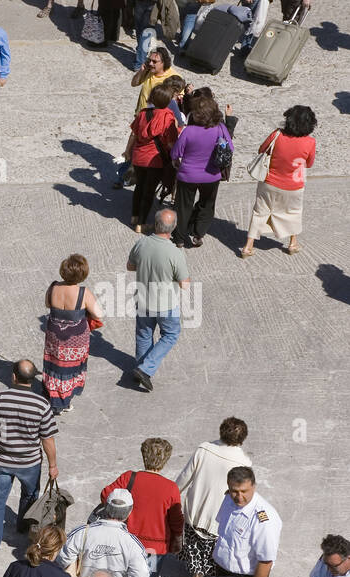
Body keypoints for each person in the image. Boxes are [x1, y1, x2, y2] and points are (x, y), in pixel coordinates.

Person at [0, 360, 59, 560]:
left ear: (14, 377)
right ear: (33, 380)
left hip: (1, 461)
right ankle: (23, 527)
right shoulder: (42, 404)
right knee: (30, 495)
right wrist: (53, 465)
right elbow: (47, 439)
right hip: (30, 463)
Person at [100, 439, 183, 577]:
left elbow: (106, 494)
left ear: (143, 455)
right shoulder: (170, 488)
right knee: (148, 575)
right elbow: (176, 519)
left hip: (127, 540)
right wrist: (177, 540)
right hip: (155, 546)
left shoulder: (129, 477)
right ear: (165, 459)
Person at [176, 417, 252, 577]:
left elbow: (184, 478)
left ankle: (195, 574)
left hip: (194, 511)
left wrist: (170, 495)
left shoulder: (204, 449)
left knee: (195, 543)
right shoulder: (244, 462)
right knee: (211, 549)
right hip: (217, 517)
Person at [58, 489, 151, 577]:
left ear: (106, 508)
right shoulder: (133, 544)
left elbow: (62, 559)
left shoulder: (82, 532)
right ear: (129, 512)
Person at [126, 209, 190, 392]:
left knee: (144, 335)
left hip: (143, 300)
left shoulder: (141, 243)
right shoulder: (175, 252)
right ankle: (145, 369)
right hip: (166, 304)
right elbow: (184, 283)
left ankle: (140, 368)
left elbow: (130, 265)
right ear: (173, 227)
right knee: (170, 334)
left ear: (155, 224)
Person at [241, 106, 317, 259]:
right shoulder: (310, 142)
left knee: (260, 211)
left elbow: (261, 150)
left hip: (269, 182)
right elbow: (309, 164)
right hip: (294, 185)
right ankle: (293, 243)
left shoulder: (276, 135)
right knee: (293, 213)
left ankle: (248, 246)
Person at [41, 254, 103, 415]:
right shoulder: (83, 292)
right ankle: (63, 402)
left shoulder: (53, 287)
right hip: (75, 339)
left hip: (54, 335)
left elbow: (48, 304)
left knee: (54, 363)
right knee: (70, 368)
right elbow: (98, 314)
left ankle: (52, 394)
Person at [169, 93, 233, 248]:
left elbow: (175, 153)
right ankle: (198, 234)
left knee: (183, 206)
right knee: (207, 205)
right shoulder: (220, 129)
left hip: (187, 175)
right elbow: (230, 149)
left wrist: (175, 163)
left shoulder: (189, 131)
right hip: (212, 176)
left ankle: (179, 238)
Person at [129, 85, 179, 231]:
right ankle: (141, 224)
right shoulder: (168, 117)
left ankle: (134, 216)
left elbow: (135, 133)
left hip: (139, 157)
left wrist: (127, 152)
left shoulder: (143, 114)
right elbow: (170, 143)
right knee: (149, 191)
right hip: (155, 160)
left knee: (139, 186)